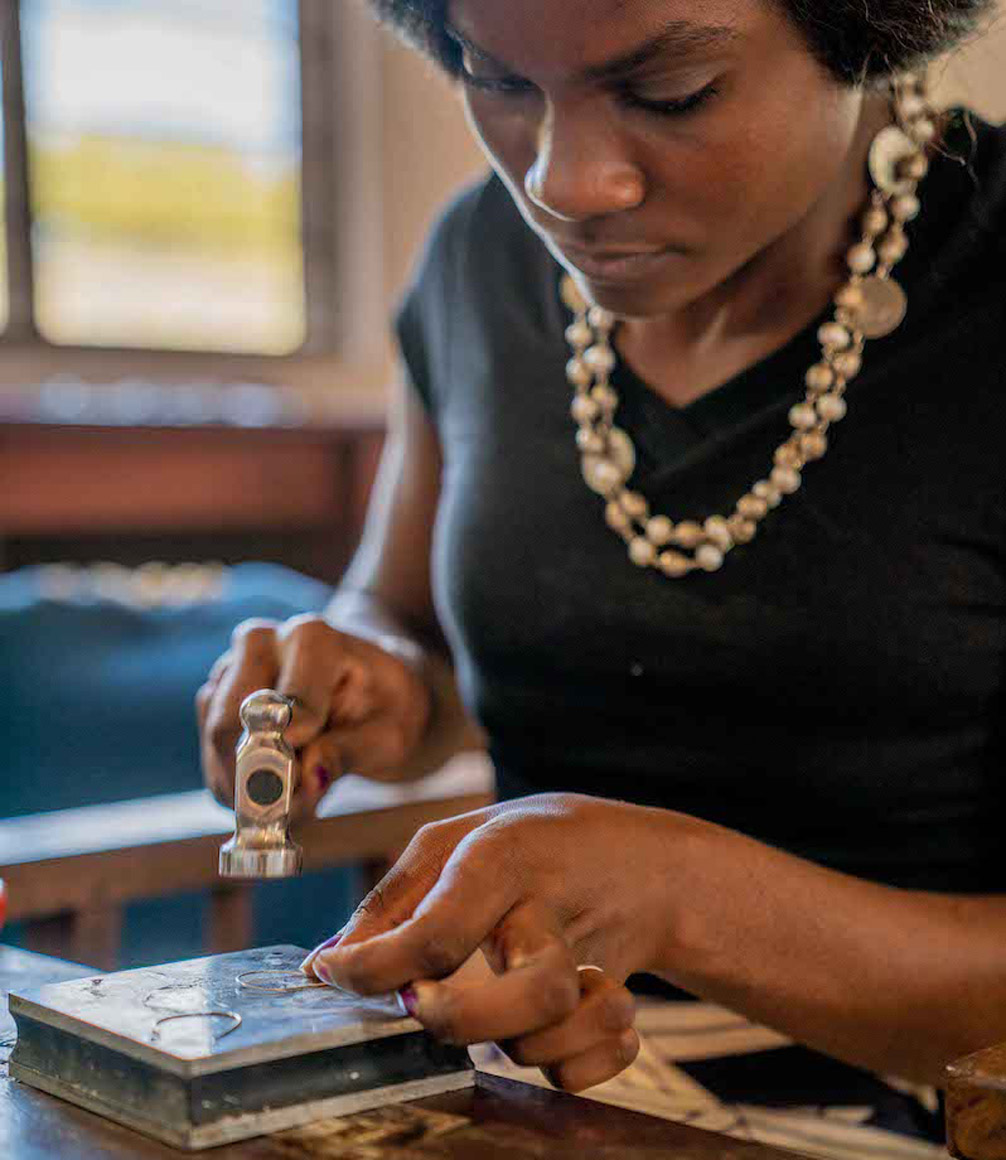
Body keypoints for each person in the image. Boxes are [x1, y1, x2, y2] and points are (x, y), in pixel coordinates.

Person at [199, 0, 1005, 1150]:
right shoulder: (479, 260)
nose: (562, 183)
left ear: (866, 26)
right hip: (517, 1085)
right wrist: (369, 677)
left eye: (671, 92)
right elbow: (405, 620)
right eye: (494, 78)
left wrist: (676, 897)